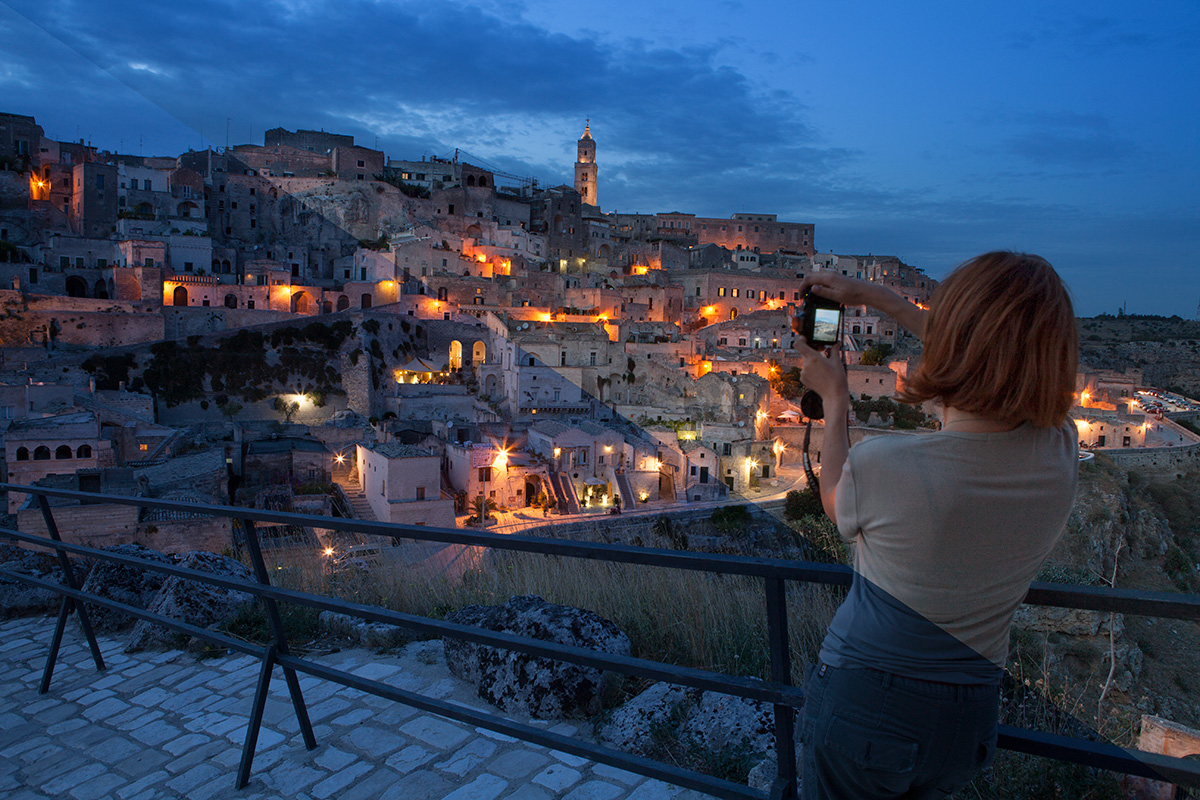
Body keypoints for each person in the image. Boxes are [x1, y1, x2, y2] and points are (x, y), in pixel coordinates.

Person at [793, 252, 1079, 799]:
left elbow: (834, 500)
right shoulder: (1060, 452)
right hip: (969, 715)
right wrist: (879, 298)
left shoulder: (891, 466)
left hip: (868, 702)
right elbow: (999, 355)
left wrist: (835, 400)